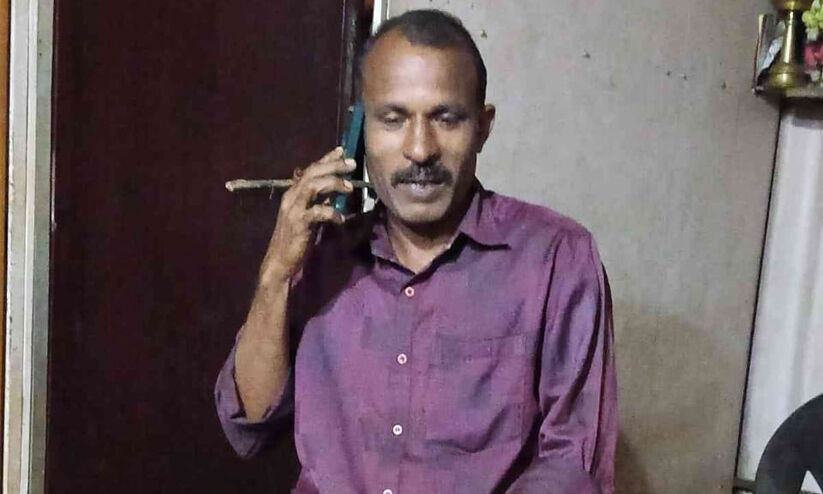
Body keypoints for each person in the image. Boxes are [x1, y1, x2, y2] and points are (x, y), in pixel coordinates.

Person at [215, 9, 617, 494]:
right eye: (393, 119)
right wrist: (276, 274)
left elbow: (573, 464)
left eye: (446, 118)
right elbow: (249, 425)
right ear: (363, 129)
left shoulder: (555, 258)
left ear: (483, 127)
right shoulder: (322, 255)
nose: (421, 150)